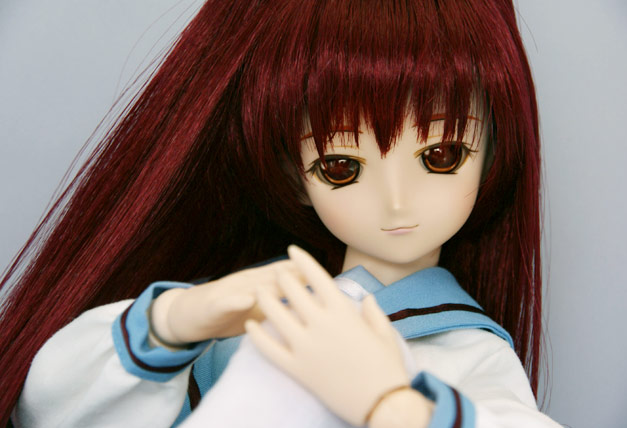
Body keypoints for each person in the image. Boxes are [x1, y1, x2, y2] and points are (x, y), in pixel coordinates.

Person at [0, 0, 558, 426]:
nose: (396, 201)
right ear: (295, 178)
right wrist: (173, 322)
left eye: (441, 156)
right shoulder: (251, 315)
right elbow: (46, 409)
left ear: (492, 157)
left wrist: (391, 405)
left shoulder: (465, 353)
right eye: (341, 166)